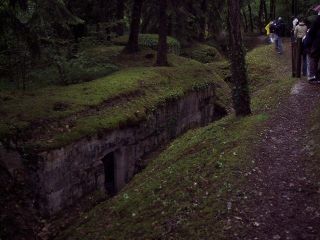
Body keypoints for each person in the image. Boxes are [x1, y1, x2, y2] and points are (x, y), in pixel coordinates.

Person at [305, 12, 320, 83]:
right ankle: (313, 77)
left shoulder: (316, 22)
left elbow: (311, 34)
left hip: (315, 45)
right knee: (314, 60)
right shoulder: (317, 22)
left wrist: (307, 45)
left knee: (313, 60)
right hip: (315, 45)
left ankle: (313, 76)